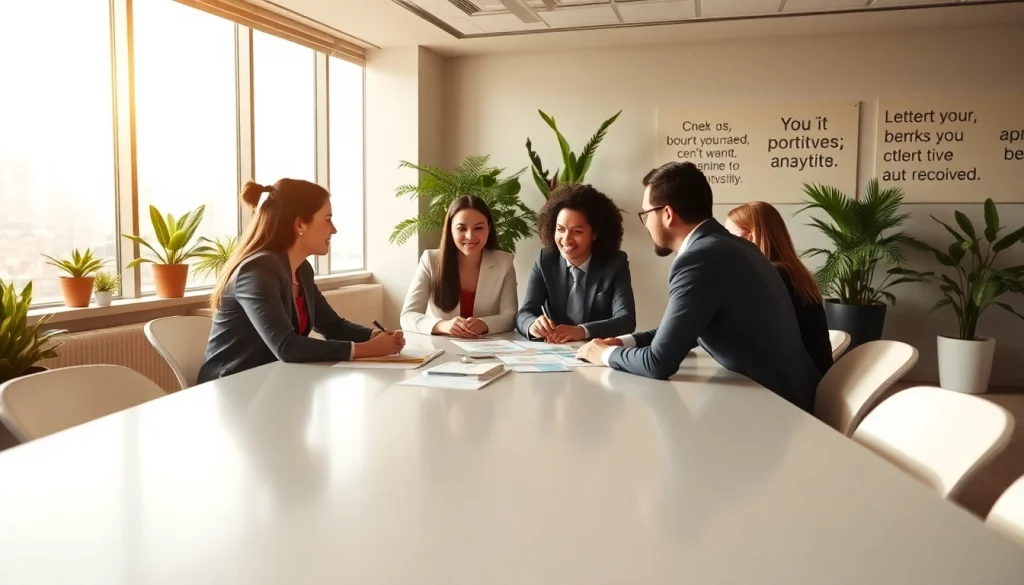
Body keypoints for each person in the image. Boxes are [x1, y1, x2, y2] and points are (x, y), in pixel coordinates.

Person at [575, 162, 822, 413]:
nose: (646, 223)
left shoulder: (699, 258)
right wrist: (623, 342)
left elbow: (658, 363)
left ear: (667, 214)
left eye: (646, 214)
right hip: (791, 400)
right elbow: (683, 330)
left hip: (777, 412)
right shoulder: (737, 247)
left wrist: (602, 354)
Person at [197, 179, 404, 383]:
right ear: (300, 224)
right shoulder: (257, 271)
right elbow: (287, 346)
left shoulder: (302, 270)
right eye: (327, 219)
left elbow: (332, 326)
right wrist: (365, 350)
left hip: (271, 384)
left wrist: (374, 336)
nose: (333, 230)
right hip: (231, 390)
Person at [515, 183, 636, 343]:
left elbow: (626, 320)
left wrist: (582, 331)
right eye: (560, 229)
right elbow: (525, 313)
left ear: (594, 233)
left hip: (597, 352)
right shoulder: (546, 260)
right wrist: (532, 325)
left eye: (577, 231)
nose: (566, 239)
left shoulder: (615, 263)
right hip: (554, 352)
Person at [726, 201, 833, 376]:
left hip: (797, 389)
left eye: (730, 236)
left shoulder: (773, 275)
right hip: (814, 379)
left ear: (750, 238)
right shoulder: (792, 272)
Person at [400, 195, 518, 337]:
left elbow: (510, 317)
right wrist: (443, 325)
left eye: (479, 228)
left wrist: (484, 324)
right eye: (461, 228)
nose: (470, 236)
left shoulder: (504, 262)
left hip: (487, 347)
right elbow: (407, 316)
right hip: (441, 347)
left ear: (489, 228)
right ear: (450, 230)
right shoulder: (430, 260)